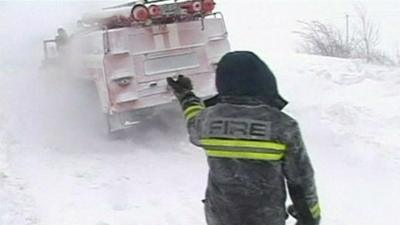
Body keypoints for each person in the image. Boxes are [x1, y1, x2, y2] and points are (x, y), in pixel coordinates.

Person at [166, 51, 320, 225]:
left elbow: (193, 121)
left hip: (220, 217)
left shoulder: (207, 120)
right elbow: (300, 178)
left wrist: (185, 94)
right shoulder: (282, 125)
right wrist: (310, 217)